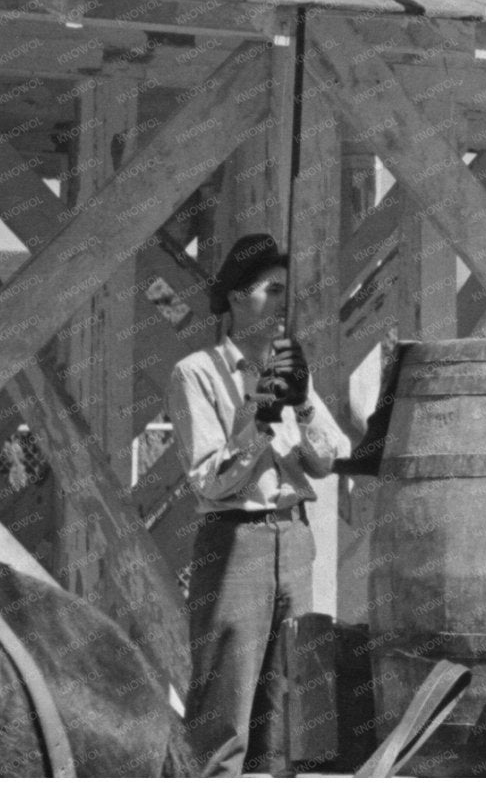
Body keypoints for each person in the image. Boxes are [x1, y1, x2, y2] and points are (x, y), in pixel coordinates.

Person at [168, 234, 349, 775]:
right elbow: (209, 480)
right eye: (273, 291)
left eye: (288, 294)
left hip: (294, 539)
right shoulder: (196, 373)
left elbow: (328, 459)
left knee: (288, 705)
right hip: (236, 541)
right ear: (235, 298)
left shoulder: (291, 369)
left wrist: (303, 408)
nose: (282, 307)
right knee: (225, 707)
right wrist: (261, 418)